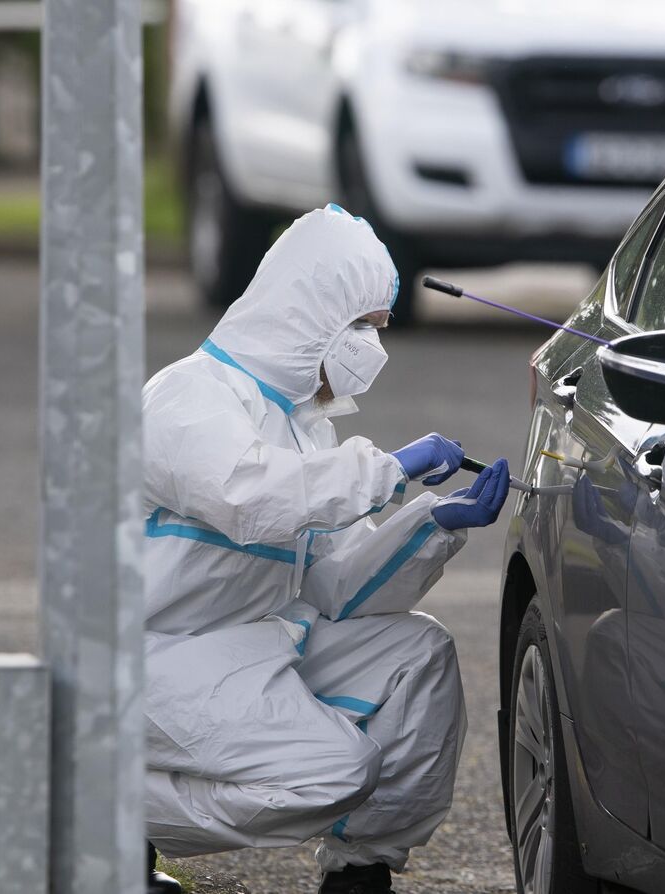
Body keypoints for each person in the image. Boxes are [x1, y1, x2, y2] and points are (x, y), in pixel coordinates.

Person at [140, 205, 509, 894]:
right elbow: (248, 495)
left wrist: (433, 525)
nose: (376, 348)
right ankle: (104, 814)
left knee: (417, 656)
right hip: (151, 656)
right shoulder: (186, 399)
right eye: (365, 328)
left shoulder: (307, 430)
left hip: (246, 644)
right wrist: (388, 470)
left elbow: (340, 587)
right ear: (309, 316)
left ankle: (360, 875)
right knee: (333, 770)